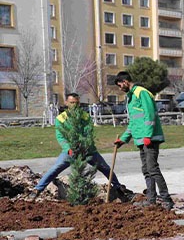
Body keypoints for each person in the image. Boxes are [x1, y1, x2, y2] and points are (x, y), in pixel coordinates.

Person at [28, 93, 132, 202]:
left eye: (77, 103)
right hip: (70, 151)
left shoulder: (85, 116)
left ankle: (118, 188)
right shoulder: (61, 118)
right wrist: (68, 148)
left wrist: (84, 145)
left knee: (105, 168)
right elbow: (60, 136)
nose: (75, 105)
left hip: (88, 150)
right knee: (56, 168)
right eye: (72, 102)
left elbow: (88, 132)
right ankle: (37, 190)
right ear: (66, 103)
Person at [113, 71, 174, 210]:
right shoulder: (131, 97)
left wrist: (147, 135)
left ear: (125, 81)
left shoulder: (141, 92)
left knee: (153, 168)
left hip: (150, 139)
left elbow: (150, 115)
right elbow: (134, 122)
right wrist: (123, 139)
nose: (120, 88)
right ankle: (151, 200)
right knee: (146, 170)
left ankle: (166, 200)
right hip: (141, 139)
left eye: (120, 85)